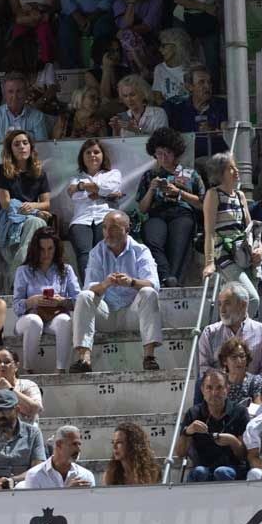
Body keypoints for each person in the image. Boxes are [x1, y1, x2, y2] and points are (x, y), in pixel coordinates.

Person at [69, 211, 162, 373]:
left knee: (148, 293)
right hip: (106, 315)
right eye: (104, 228)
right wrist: (104, 284)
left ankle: (149, 357)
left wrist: (131, 282)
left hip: (132, 315)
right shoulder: (97, 251)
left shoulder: (140, 251)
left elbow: (154, 284)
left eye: (113, 228)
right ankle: (84, 358)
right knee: (85, 296)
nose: (107, 232)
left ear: (127, 229)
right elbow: (88, 287)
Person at [134, 128, 203, 287]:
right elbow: (143, 208)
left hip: (182, 213)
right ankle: (167, 276)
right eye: (159, 153)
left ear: (175, 153)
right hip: (157, 214)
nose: (163, 158)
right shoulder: (149, 175)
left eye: (167, 153)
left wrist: (179, 193)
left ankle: (173, 279)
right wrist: (152, 189)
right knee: (152, 236)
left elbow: (201, 203)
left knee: (179, 243)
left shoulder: (190, 174)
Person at [12, 228, 79, 375]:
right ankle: (29, 369)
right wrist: (32, 301)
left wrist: (61, 301)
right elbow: (16, 307)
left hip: (54, 316)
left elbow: (77, 300)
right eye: (42, 249)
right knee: (34, 321)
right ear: (35, 249)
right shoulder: (23, 271)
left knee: (65, 320)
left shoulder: (66, 270)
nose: (46, 254)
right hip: (28, 318)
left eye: (50, 249)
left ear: (56, 248)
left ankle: (61, 369)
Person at [199, 152, 262, 303]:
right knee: (251, 299)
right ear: (220, 172)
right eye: (231, 168)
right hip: (224, 254)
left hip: (244, 254)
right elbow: (209, 232)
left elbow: (249, 229)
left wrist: (259, 248)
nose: (237, 171)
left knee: (242, 304)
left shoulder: (240, 196)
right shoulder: (213, 194)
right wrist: (209, 263)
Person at [0, 129, 50, 283]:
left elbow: (46, 203)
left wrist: (32, 207)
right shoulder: (1, 170)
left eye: (25, 143)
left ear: (31, 147)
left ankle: (16, 277)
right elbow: (6, 203)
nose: (22, 147)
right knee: (37, 222)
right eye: (16, 144)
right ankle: (20, 277)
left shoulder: (40, 173)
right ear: (10, 149)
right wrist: (35, 212)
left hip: (31, 217)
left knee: (35, 223)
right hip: (10, 219)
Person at [174, 370, 248, 482]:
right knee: (199, 472)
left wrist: (232, 441)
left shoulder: (239, 412)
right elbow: (180, 453)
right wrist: (188, 432)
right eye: (209, 388)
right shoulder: (193, 413)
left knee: (222, 472)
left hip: (233, 468)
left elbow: (244, 455)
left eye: (219, 388)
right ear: (202, 390)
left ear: (227, 389)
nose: (214, 393)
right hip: (203, 468)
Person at [65, 139, 122, 278]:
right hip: (81, 219)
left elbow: (110, 188)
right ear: (82, 157)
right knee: (84, 252)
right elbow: (75, 197)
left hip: (106, 217)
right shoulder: (75, 177)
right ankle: (89, 287)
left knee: (103, 250)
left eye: (96, 152)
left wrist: (82, 187)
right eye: (88, 153)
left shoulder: (113, 174)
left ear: (103, 155)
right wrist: (104, 193)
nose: (92, 155)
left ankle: (107, 285)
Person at [196, 284, 262, 380]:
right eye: (220, 304)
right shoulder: (210, 332)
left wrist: (247, 384)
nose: (222, 310)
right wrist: (226, 381)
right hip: (219, 390)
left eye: (227, 303)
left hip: (254, 391)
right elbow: (203, 368)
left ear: (243, 305)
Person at [113, 0, 164, 78]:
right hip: (126, 47)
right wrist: (132, 2)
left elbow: (147, 27)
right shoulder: (119, 3)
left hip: (149, 42)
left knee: (127, 34)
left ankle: (140, 71)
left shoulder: (156, 2)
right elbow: (124, 24)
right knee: (127, 37)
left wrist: (126, 31)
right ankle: (142, 71)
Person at [0, 72, 49, 143]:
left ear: (26, 93)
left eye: (19, 91)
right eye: (10, 92)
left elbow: (42, 146)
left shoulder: (37, 116)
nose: (15, 97)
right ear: (4, 94)